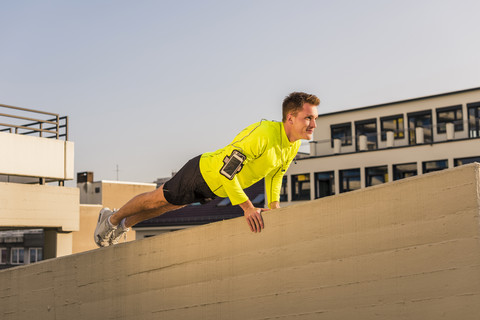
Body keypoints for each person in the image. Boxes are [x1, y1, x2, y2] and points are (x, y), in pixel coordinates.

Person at [94, 92, 320, 247]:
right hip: (202, 173)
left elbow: (275, 174)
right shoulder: (263, 135)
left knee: (166, 207)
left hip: (216, 189)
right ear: (290, 118)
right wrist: (248, 207)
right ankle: (111, 219)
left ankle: (123, 225)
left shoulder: (293, 144)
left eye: (315, 118)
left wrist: (274, 206)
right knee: (156, 199)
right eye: (308, 117)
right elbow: (227, 170)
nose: (313, 124)